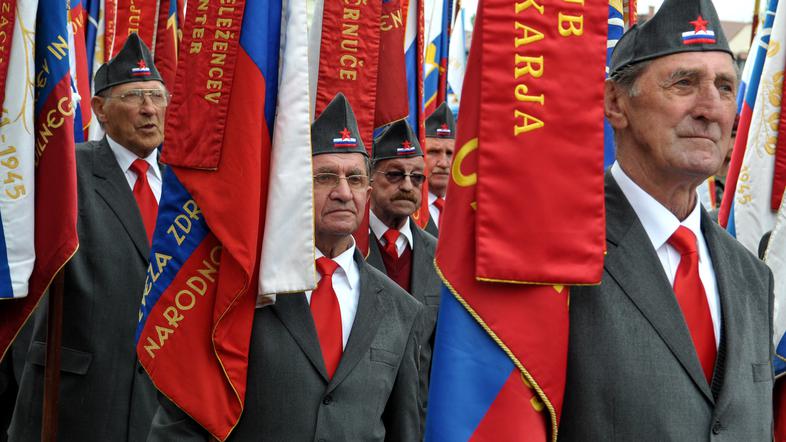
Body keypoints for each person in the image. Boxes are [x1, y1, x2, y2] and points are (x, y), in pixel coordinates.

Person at [148, 93, 424, 441]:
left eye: (354, 179)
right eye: (325, 177)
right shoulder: (243, 286)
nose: (343, 192)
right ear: (294, 188)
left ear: (368, 193)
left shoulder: (400, 310)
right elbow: (185, 415)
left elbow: (404, 430)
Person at [558, 0, 774, 440]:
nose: (711, 109)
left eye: (726, 87)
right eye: (684, 82)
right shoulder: (558, 249)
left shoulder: (752, 276)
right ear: (615, 103)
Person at [8, 33, 165, 441]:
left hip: (161, 411)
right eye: (134, 96)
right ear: (99, 108)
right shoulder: (66, 173)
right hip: (75, 404)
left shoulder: (190, 187)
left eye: (157, 95)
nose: (149, 109)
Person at [366, 119, 441, 408]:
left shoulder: (439, 256)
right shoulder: (348, 247)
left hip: (419, 413)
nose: (407, 185)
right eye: (395, 174)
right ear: (371, 177)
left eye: (417, 178)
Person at [423, 102, 456, 237]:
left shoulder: (470, 208)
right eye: (434, 151)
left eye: (450, 153)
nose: (443, 163)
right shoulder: (406, 207)